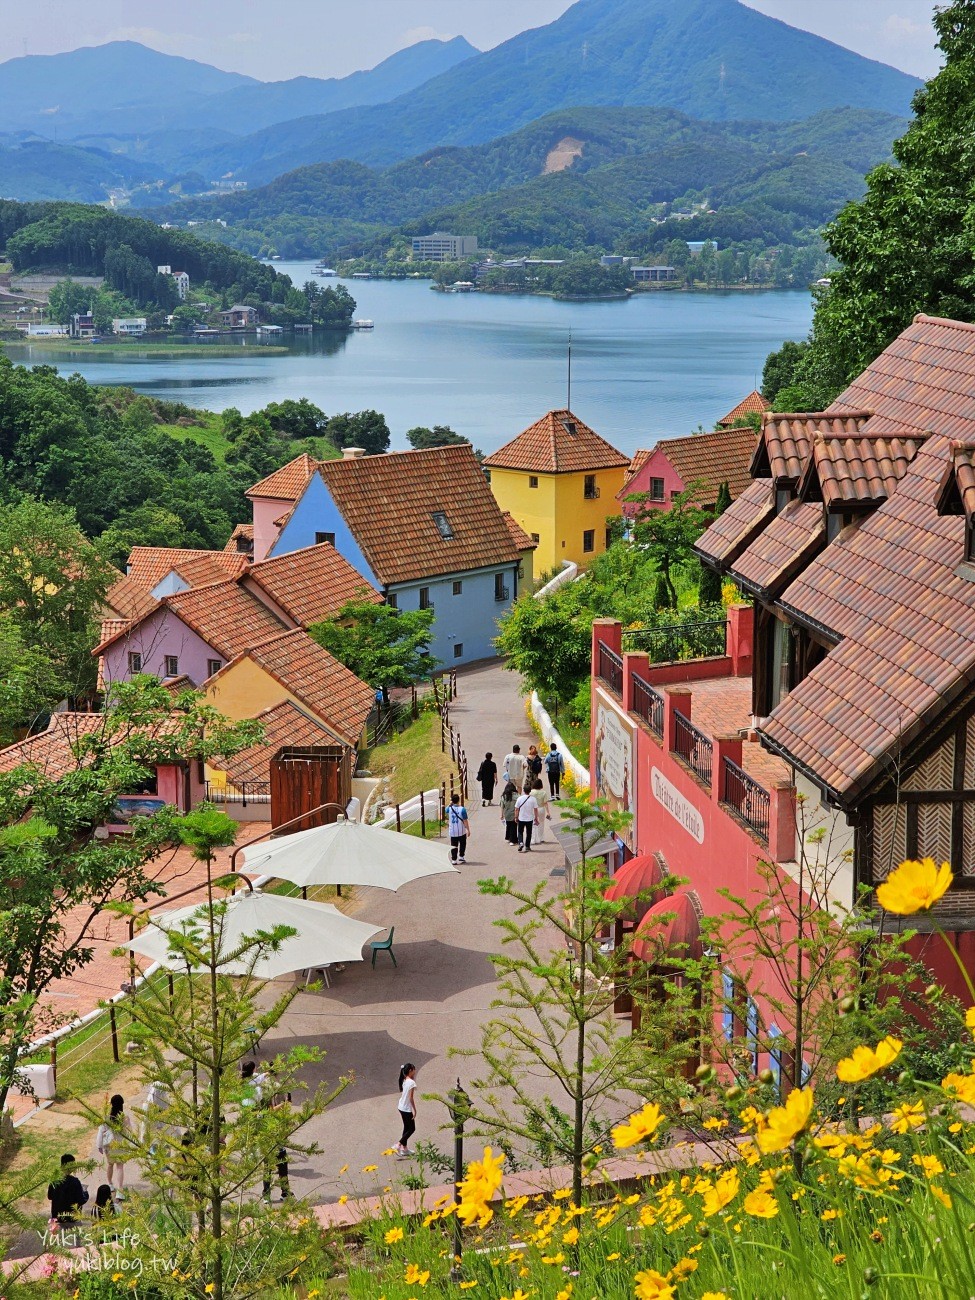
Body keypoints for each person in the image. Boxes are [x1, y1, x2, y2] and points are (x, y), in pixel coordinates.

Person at [96, 1094, 130, 1195]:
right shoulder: (125, 1118)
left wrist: (99, 1145)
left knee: (110, 1165)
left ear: (111, 1104)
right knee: (120, 1167)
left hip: (109, 1147)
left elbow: (100, 1132)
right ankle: (120, 1188)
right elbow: (129, 1132)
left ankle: (110, 1184)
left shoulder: (106, 1118)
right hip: (120, 1146)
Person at [48, 1153, 88, 1227]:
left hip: (57, 1216)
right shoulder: (75, 1182)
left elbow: (50, 1196)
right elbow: (81, 1200)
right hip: (72, 1217)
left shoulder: (54, 1180)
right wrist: (85, 1192)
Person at [395, 1062, 417, 1157]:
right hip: (406, 1109)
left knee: (406, 1127)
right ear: (410, 1071)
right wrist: (415, 1110)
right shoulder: (412, 1082)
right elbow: (411, 1098)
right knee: (412, 1128)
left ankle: (404, 1148)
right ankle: (399, 1144)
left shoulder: (404, 1080)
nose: (415, 1071)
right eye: (414, 1069)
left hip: (401, 1107)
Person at [447, 793, 470, 864]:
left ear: (452, 801)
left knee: (454, 845)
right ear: (459, 800)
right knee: (463, 844)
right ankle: (461, 856)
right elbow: (465, 820)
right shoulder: (462, 809)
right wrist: (468, 829)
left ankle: (454, 859)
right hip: (461, 830)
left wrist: (450, 803)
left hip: (453, 831)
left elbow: (446, 809)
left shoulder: (449, 809)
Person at [515, 786, 539, 852]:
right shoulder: (533, 799)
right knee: (529, 833)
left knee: (520, 831)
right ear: (530, 791)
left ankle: (521, 843)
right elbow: (535, 809)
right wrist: (536, 818)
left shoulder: (520, 798)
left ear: (523, 790)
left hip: (521, 818)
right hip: (529, 818)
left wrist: (516, 817)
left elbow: (516, 809)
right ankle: (527, 846)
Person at [532, 778, 552, 842]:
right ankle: (541, 838)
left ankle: (534, 839)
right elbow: (545, 803)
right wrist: (548, 812)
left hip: (533, 809)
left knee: (534, 824)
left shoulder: (531, 792)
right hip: (541, 809)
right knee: (541, 823)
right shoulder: (543, 793)